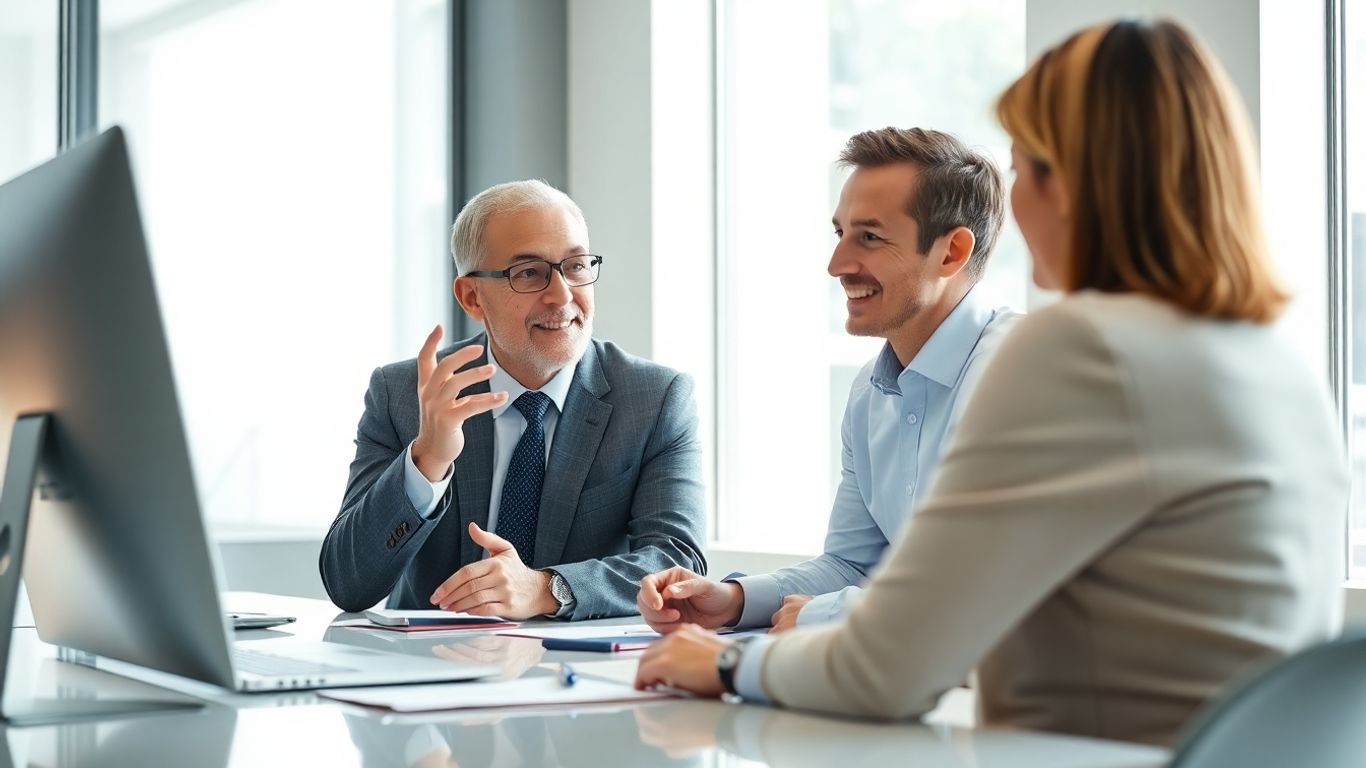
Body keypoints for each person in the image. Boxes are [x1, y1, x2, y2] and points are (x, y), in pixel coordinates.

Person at [634, 18, 1347, 748]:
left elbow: (888, 666)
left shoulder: (1082, 350)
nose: (1018, 202)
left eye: (1026, 167)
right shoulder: (1270, 358)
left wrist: (725, 663)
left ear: (1077, 186)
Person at [639, 127, 1018, 635]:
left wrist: (821, 615)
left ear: (951, 253)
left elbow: (990, 587)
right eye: (840, 233)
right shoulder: (869, 393)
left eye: (870, 237)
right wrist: (730, 600)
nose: (837, 264)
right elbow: (851, 566)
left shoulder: (1017, 377)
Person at [320, 180, 706, 620]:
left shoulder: (655, 399)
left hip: (576, 672)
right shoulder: (406, 394)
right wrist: (427, 460)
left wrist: (546, 589)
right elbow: (347, 583)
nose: (561, 295)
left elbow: (678, 565)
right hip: (426, 667)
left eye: (576, 266)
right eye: (528, 273)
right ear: (472, 297)